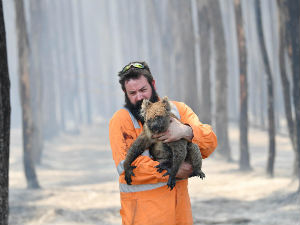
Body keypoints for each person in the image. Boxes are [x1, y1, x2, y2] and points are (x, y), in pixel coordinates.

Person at [109, 61, 217, 225]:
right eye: (132, 93)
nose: (139, 97)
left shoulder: (178, 110)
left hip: (180, 216)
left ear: (153, 84)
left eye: (143, 90)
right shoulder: (121, 121)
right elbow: (126, 166)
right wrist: (172, 170)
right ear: (125, 92)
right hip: (142, 218)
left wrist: (186, 131)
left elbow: (209, 143)